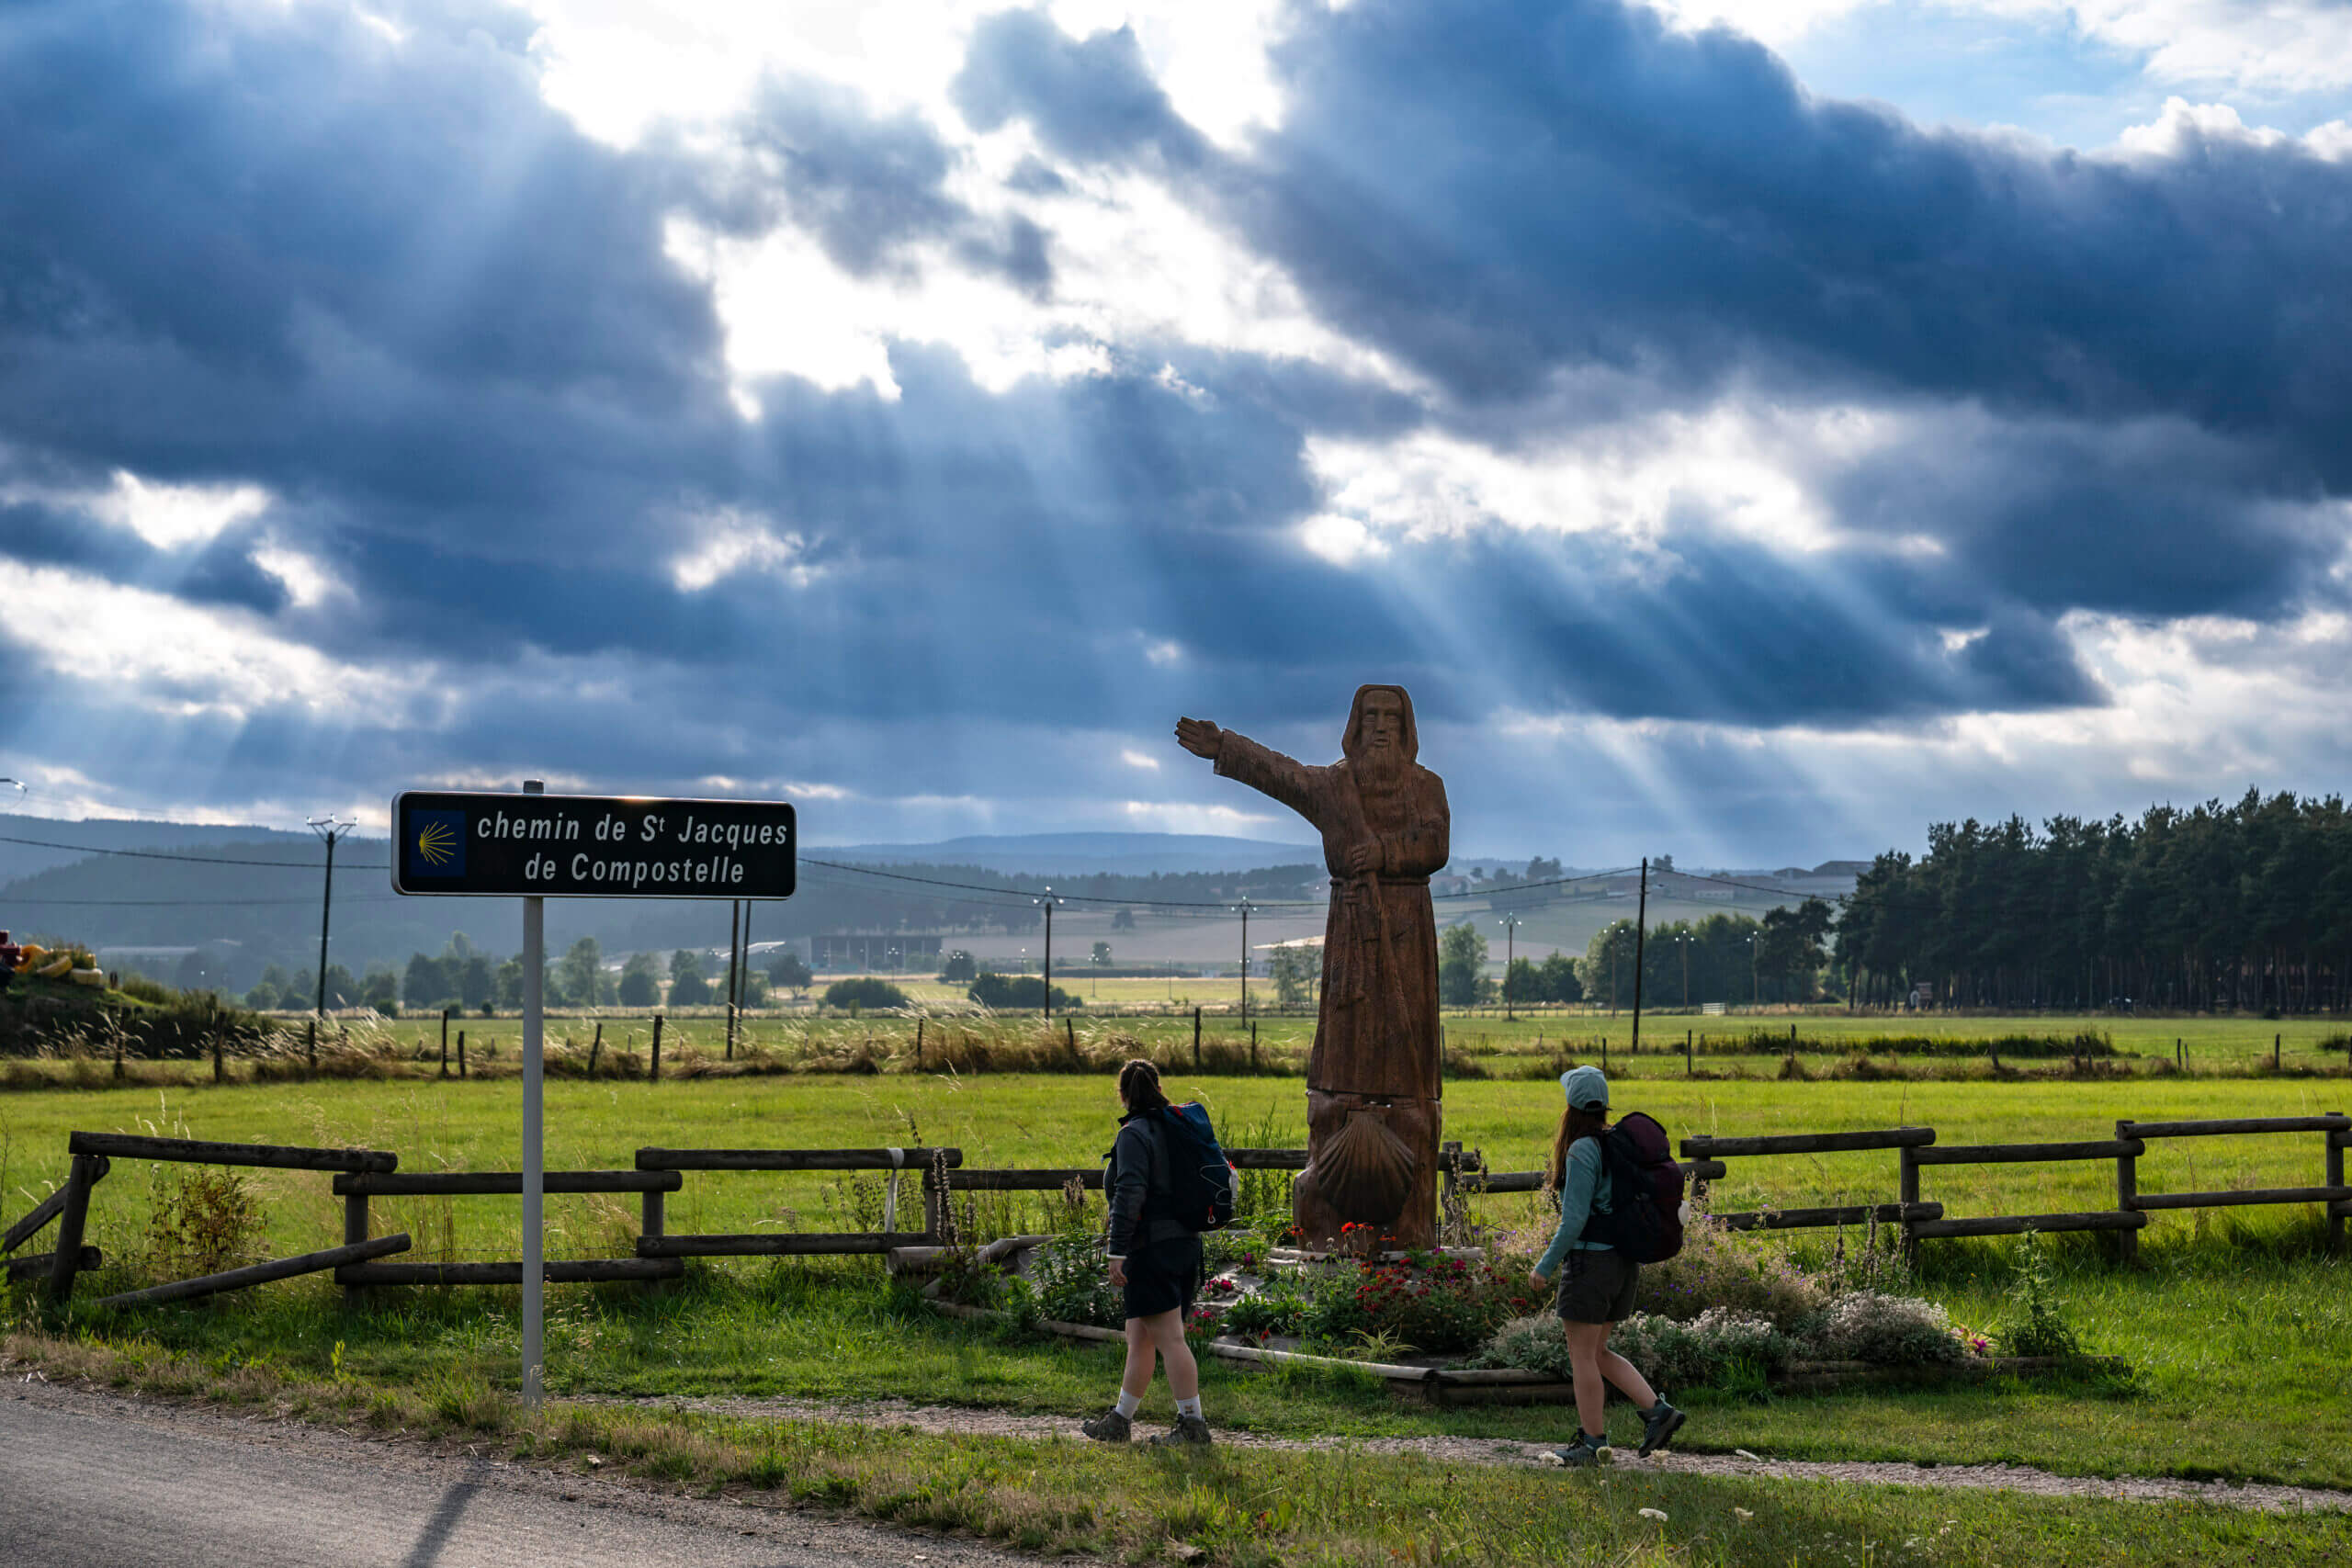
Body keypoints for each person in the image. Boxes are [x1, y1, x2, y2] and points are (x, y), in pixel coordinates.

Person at [1527, 1065, 1685, 1467]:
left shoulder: (1582, 1149)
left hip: (1591, 1264)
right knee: (1597, 1351)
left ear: (1571, 1106)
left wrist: (1544, 1266)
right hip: (1622, 1261)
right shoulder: (1616, 1144)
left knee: (1582, 1355)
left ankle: (1593, 1443)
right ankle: (1658, 1412)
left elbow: (1574, 1218)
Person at [1082, 1058, 1212, 1447]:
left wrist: (1116, 1250)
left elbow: (1129, 1193)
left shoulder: (1135, 1134)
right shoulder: (1176, 1128)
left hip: (1152, 1248)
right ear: (1157, 1087)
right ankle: (1120, 1421)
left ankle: (1193, 1427)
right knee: (1139, 1336)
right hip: (1185, 1245)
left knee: (1170, 1338)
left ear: (1123, 1095)